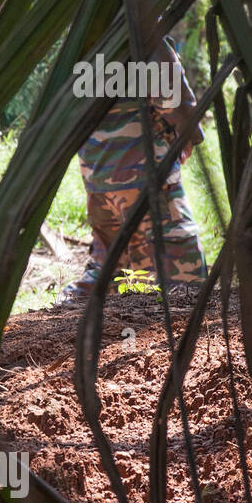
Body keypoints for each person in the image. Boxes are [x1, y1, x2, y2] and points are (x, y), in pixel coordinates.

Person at [61, 33, 207, 302]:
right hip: (144, 173)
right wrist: (189, 135)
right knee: (185, 277)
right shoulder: (140, 23)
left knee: (112, 263)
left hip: (98, 172)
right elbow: (171, 93)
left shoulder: (85, 31)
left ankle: (72, 307)